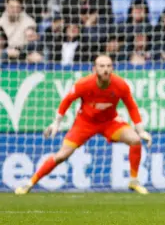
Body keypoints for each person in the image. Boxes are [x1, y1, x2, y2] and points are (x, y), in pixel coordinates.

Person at [15, 55, 152, 195]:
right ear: (94, 69)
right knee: (61, 156)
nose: (105, 70)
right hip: (85, 123)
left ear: (112, 68)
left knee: (135, 140)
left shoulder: (120, 85)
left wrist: (140, 131)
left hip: (110, 122)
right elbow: (67, 100)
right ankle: (29, 183)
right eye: (102, 66)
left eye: (108, 66)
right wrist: (56, 123)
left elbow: (132, 106)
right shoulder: (84, 84)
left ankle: (134, 181)